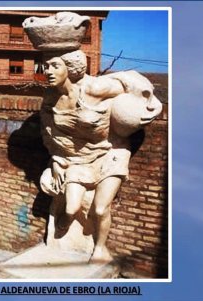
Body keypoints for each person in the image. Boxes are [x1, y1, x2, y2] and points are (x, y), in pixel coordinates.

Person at [39, 50, 162, 262]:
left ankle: (99, 248)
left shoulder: (95, 88)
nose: (48, 71)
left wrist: (147, 103)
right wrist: (58, 160)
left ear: (71, 68)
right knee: (70, 208)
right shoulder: (51, 99)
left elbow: (130, 81)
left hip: (111, 153)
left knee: (100, 207)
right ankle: (67, 223)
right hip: (79, 159)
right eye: (46, 66)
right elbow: (49, 133)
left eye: (54, 66)